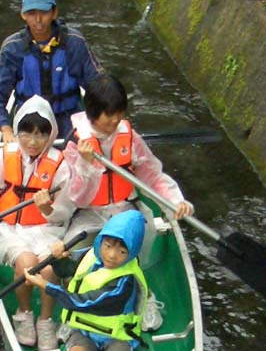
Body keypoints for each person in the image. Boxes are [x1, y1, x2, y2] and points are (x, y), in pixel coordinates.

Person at [24, 209, 180, 351]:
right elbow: (67, 269)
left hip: (118, 336)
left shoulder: (125, 281)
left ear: (132, 253)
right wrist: (59, 258)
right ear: (100, 242)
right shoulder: (91, 254)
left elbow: (88, 302)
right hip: (86, 331)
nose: (112, 255)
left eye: (122, 250)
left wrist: (46, 286)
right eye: (108, 246)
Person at [0, 96, 75, 348]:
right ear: (18, 131)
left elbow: (66, 209)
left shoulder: (60, 165)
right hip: (10, 230)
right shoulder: (4, 155)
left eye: (41, 135)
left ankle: (45, 321)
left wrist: (48, 208)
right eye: (26, 134)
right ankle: (24, 314)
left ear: (51, 134)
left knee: (48, 268)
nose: (33, 142)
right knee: (27, 262)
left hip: (48, 230)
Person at [63, 72, 195, 242]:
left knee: (129, 238)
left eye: (119, 112)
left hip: (126, 211)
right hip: (89, 215)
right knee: (75, 245)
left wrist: (175, 201)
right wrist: (85, 165)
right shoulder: (75, 143)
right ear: (93, 112)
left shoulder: (131, 138)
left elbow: (153, 177)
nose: (116, 119)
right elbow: (74, 197)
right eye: (109, 114)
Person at [0, 0, 102, 145]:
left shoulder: (74, 42)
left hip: (69, 123)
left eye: (44, 13)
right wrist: (6, 128)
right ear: (23, 15)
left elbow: (99, 86)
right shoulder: (12, 48)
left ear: (54, 13)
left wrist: (104, 119)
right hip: (29, 125)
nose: (38, 20)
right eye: (31, 14)